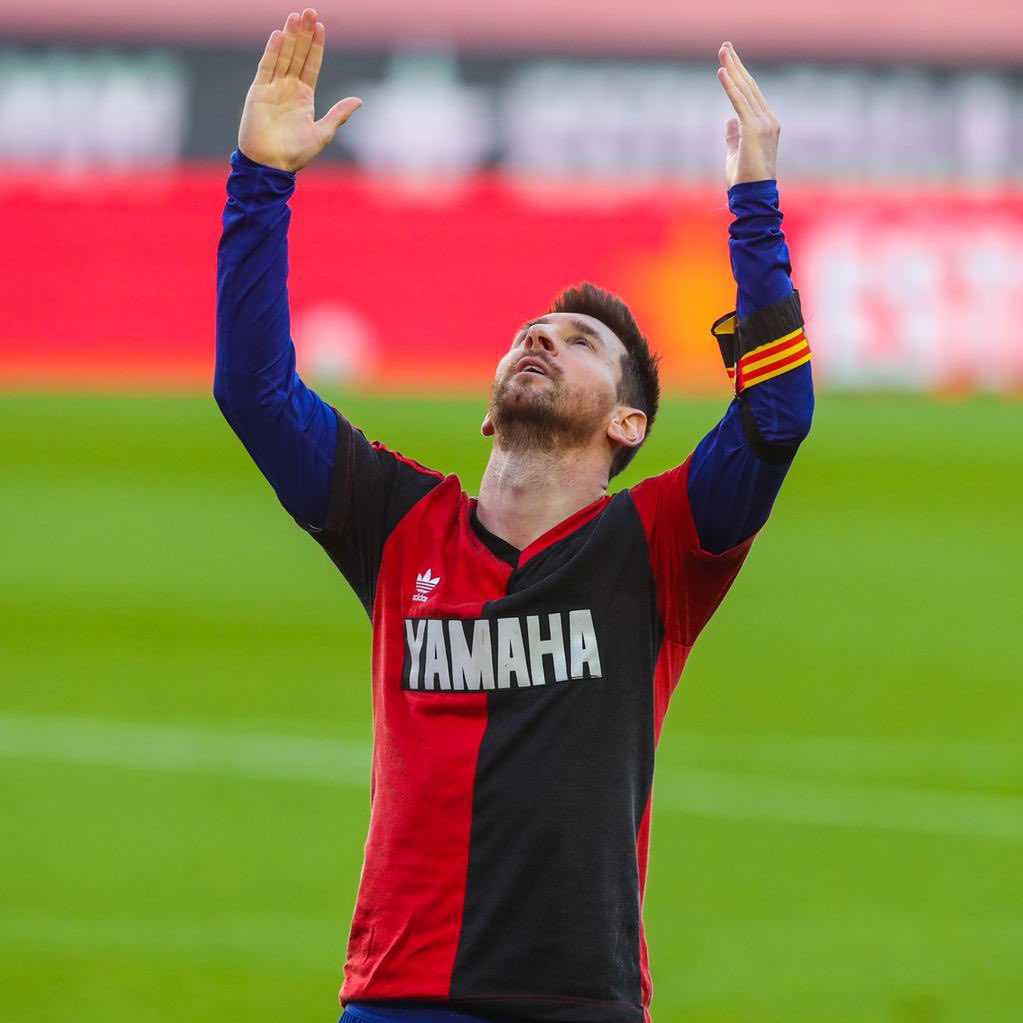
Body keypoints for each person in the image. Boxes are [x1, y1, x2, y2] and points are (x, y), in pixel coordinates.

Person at [214, 10, 813, 1023]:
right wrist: (259, 180)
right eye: (527, 335)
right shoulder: (398, 523)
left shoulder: (658, 548)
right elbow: (254, 391)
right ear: (491, 408)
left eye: (577, 341)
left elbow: (776, 415)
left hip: (577, 997)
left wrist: (754, 201)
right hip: (403, 993)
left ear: (628, 422)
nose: (540, 339)